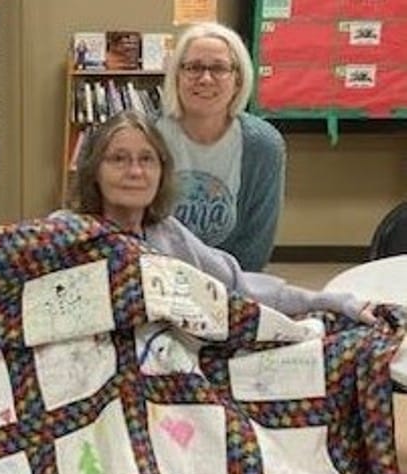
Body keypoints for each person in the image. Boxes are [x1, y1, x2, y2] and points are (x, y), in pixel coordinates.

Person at [60, 110, 375, 325]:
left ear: (162, 173)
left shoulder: (169, 236)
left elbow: (242, 288)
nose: (134, 172)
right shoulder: (64, 234)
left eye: (147, 159)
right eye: (118, 159)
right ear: (94, 172)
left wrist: (330, 301)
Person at [156, 21, 285, 273]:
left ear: (238, 79)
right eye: (193, 67)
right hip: (154, 278)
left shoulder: (263, 145)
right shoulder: (148, 135)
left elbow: (257, 240)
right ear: (177, 76)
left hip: (230, 282)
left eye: (219, 68)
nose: (205, 79)